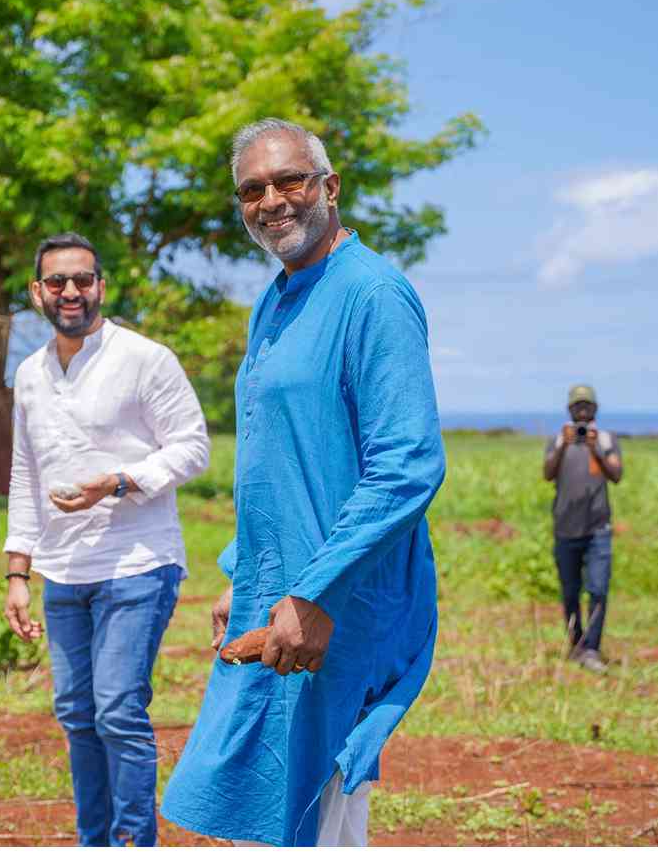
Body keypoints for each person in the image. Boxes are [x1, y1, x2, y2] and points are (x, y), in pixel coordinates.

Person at [162, 121, 444, 849]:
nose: (272, 201)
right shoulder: (277, 298)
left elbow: (408, 462)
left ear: (330, 186)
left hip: (339, 599)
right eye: (252, 190)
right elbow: (279, 459)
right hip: (276, 589)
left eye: (290, 181)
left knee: (316, 810)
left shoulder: (373, 294)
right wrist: (242, 572)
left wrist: (315, 593)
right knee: (268, 809)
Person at [4, 234, 212, 849]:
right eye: (57, 282)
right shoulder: (30, 374)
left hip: (138, 563)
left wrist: (121, 481)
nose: (71, 292)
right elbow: (25, 473)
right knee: (76, 713)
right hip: (62, 571)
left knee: (117, 709)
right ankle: (92, 844)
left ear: (102, 286)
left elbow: (193, 446)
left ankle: (133, 845)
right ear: (37, 292)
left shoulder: (145, 358)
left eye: (83, 280)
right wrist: (19, 570)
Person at [545, 383, 622, 672]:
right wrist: (565, 445)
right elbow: (547, 473)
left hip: (597, 530)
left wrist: (595, 450)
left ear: (595, 410)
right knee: (570, 592)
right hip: (565, 530)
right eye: (577, 406)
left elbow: (616, 475)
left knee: (599, 589)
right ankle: (576, 646)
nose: (582, 411)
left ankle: (592, 649)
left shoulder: (605, 440)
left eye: (587, 406)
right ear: (569, 410)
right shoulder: (558, 440)